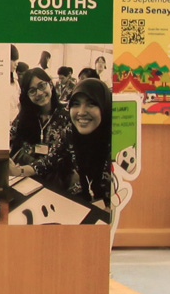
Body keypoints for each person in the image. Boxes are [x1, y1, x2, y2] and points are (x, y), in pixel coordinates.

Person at [33, 77, 114, 209]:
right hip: (82, 203)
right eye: (76, 104)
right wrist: (20, 170)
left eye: (91, 103)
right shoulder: (71, 132)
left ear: (104, 105)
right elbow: (51, 159)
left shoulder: (120, 142)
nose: (81, 112)